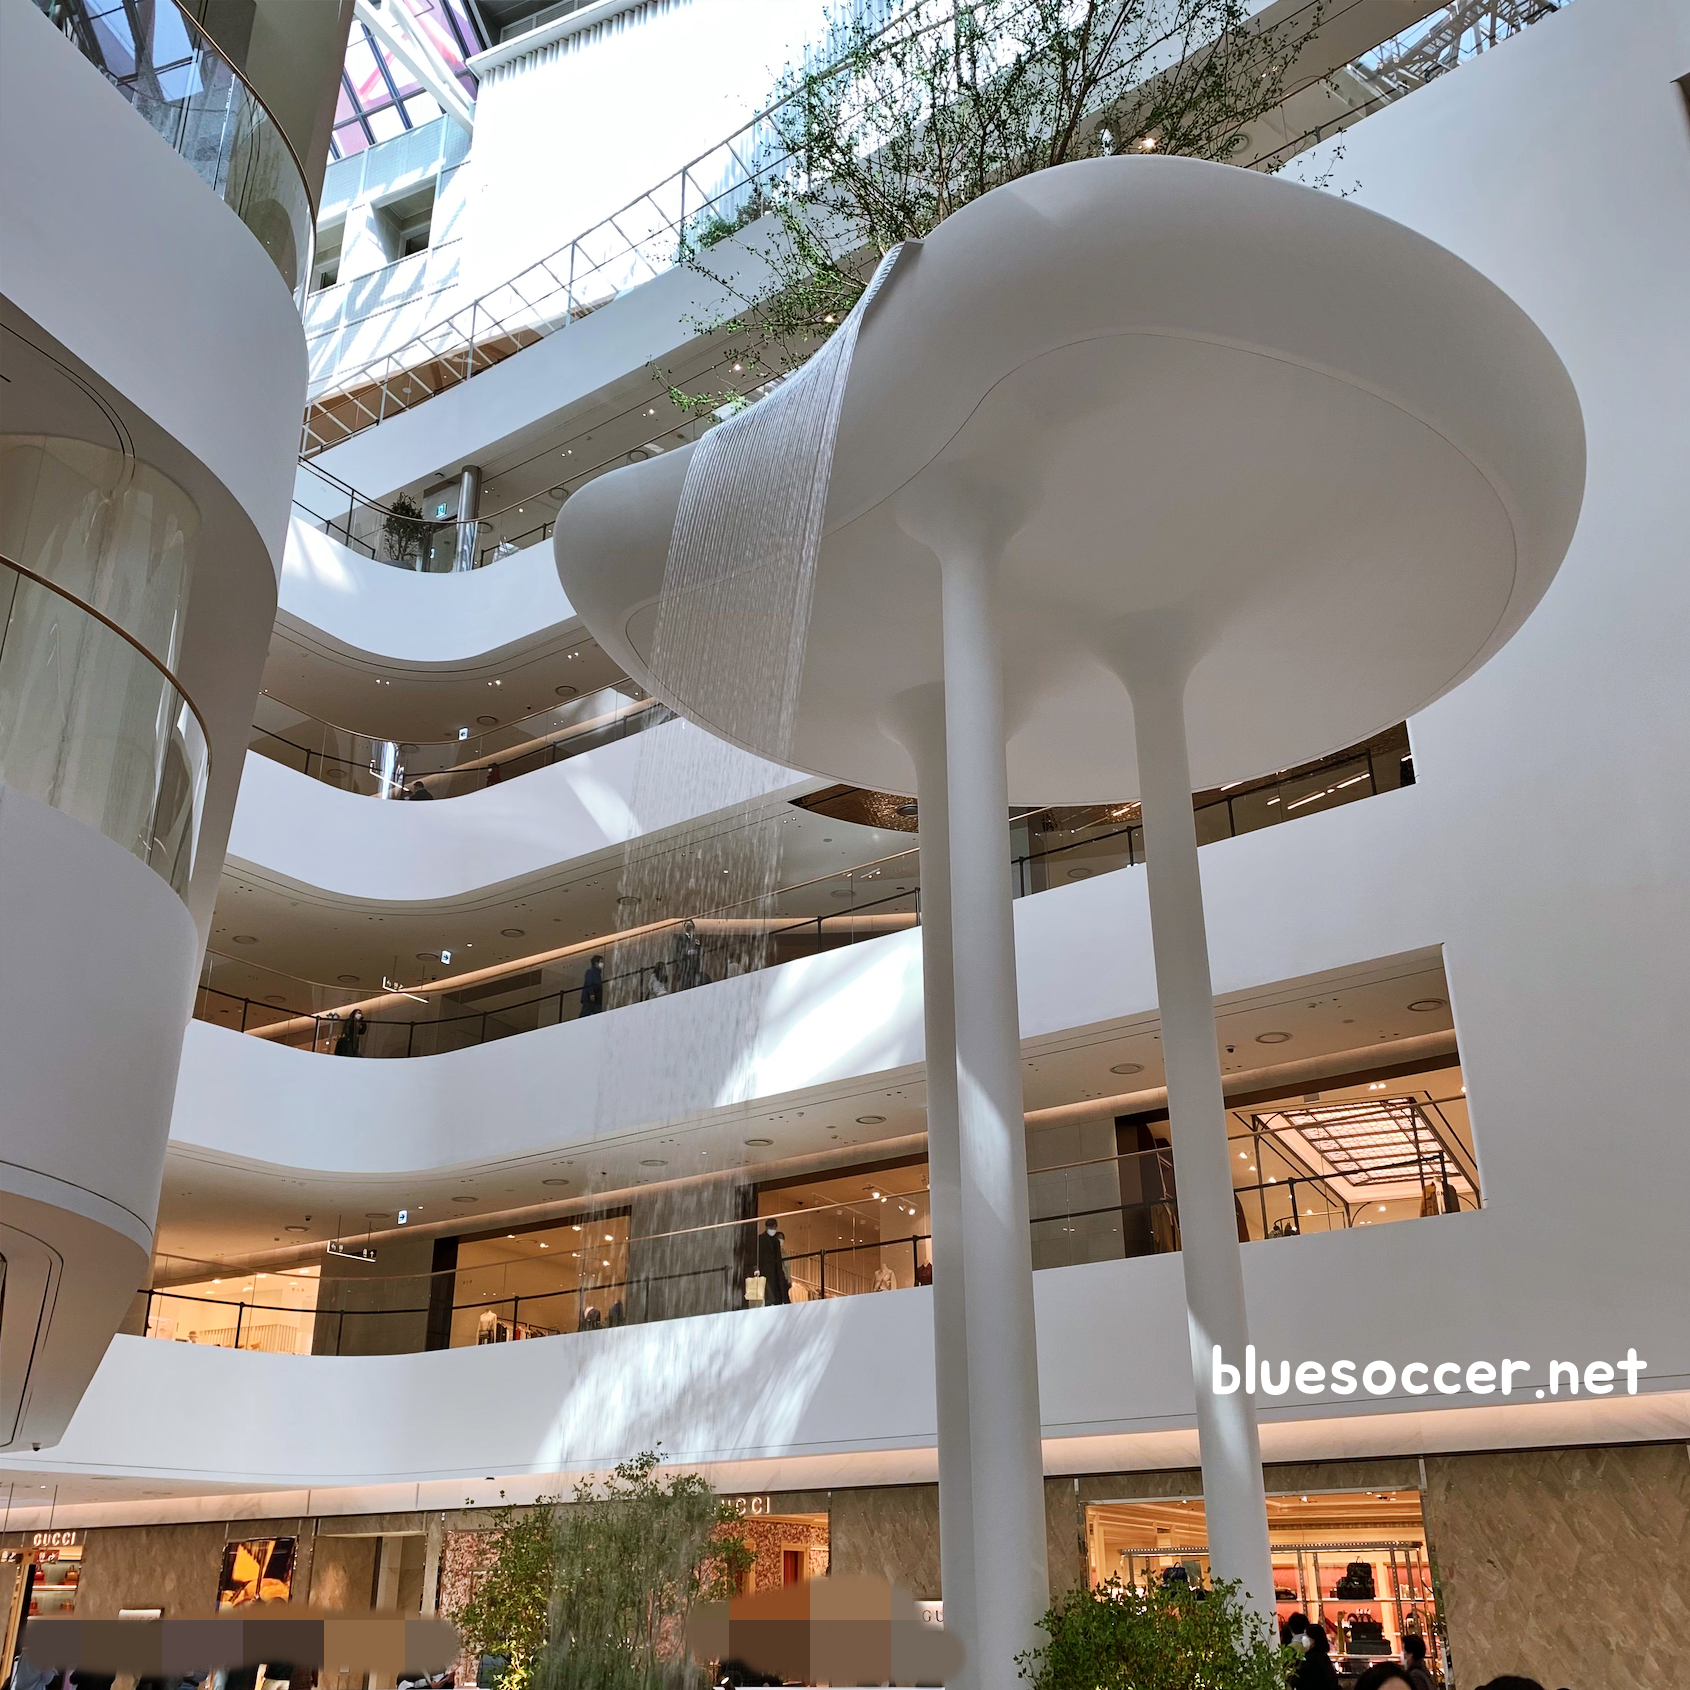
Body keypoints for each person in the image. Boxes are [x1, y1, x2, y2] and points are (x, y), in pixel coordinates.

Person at [1291, 1624, 1341, 1690]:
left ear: (1313, 1639)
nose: (1304, 1638)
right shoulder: (1323, 1656)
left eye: (1307, 1636)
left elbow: (1306, 1681)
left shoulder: (1311, 1659)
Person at [756, 1219, 790, 1305]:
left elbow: (778, 1259)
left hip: (776, 1272)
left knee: (777, 1294)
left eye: (774, 1227)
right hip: (765, 1270)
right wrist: (757, 1268)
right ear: (767, 1227)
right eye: (771, 1227)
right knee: (768, 1294)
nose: (773, 1229)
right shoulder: (760, 1239)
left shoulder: (776, 1241)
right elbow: (758, 1255)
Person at [674, 917, 702, 990]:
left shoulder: (695, 939)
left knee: (693, 983)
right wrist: (687, 952)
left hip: (694, 965)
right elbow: (679, 950)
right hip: (685, 965)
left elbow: (699, 952)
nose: (689, 927)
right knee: (685, 983)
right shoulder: (680, 937)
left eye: (690, 925)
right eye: (687, 925)